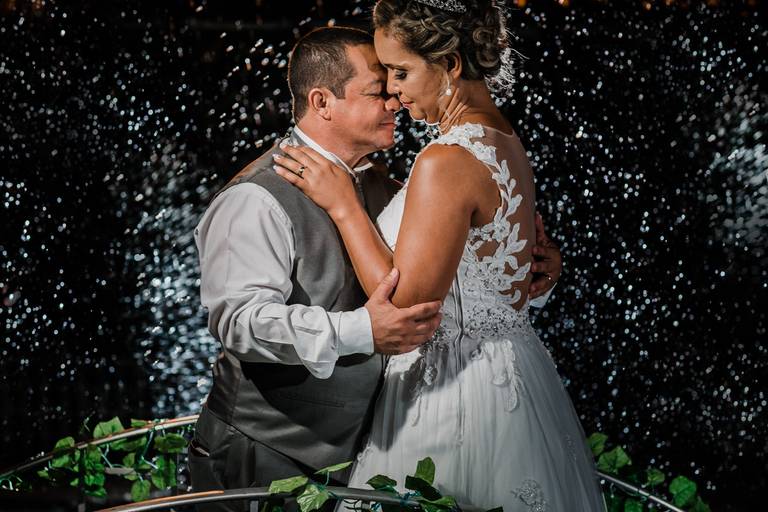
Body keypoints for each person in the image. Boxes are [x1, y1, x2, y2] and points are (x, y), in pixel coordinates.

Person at [273, 1, 603, 510]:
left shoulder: (446, 159)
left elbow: (406, 308)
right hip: (513, 377)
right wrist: (542, 272)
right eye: (385, 75)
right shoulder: (503, 138)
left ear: (449, 65)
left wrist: (345, 207)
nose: (393, 91)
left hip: (454, 392)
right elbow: (500, 270)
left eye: (401, 72)